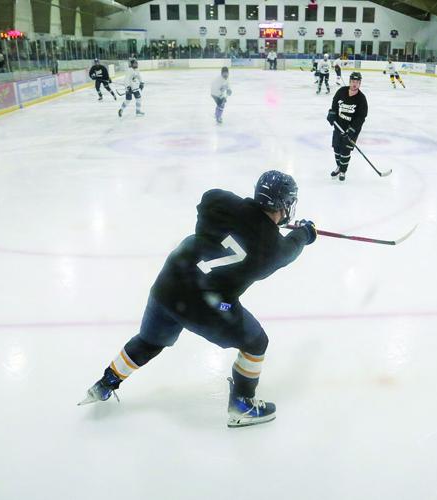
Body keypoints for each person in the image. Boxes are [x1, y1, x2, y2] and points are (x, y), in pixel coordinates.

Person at [79, 171, 317, 428]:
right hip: (208, 305)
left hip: (170, 283)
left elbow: (212, 202)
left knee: (149, 341)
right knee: (256, 342)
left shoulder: (219, 202)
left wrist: (245, 218)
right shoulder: (273, 249)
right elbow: (291, 246)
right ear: (284, 205)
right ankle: (243, 405)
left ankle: (106, 383)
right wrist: (306, 232)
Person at [326, 72, 368, 182]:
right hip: (339, 125)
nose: (354, 84)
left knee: (345, 150)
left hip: (352, 129)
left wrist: (351, 130)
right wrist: (332, 113)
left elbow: (361, 117)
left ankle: (343, 171)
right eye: (353, 81)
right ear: (349, 82)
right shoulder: (341, 91)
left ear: (360, 84)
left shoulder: (361, 98)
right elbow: (334, 104)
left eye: (357, 82)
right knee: (336, 147)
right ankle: (339, 167)